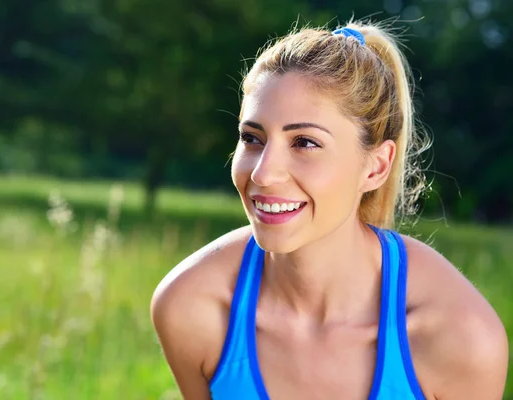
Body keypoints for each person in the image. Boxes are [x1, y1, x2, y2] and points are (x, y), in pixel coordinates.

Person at [150, 19, 509, 400]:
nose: (264, 173)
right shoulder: (193, 308)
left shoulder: (460, 339)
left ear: (376, 166)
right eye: (252, 138)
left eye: (304, 142)